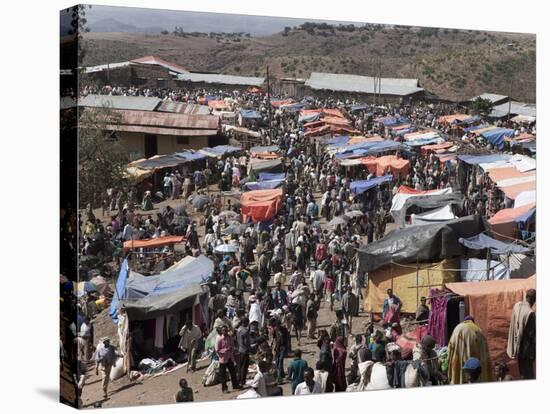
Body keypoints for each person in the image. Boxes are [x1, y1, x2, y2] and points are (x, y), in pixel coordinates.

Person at [447, 317, 492, 384]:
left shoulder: (458, 328)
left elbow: (451, 347)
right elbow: (485, 351)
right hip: (476, 367)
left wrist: (449, 361)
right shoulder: (479, 330)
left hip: (460, 362)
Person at [507, 289, 536, 379]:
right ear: (534, 300)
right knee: (528, 376)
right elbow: (532, 336)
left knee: (522, 374)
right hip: (527, 352)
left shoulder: (517, 306)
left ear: (526, 297)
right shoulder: (530, 313)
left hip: (518, 348)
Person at [215, 326, 241, 393]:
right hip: (223, 359)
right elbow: (217, 350)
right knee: (223, 375)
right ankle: (224, 388)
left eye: (226, 330)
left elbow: (232, 345)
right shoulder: (219, 339)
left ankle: (235, 385)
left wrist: (232, 349)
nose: (225, 332)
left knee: (233, 372)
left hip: (229, 358)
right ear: (222, 331)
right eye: (224, 330)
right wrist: (225, 350)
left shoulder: (230, 338)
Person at [236, 318, 251, 386]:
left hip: (239, 349)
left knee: (240, 366)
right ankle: (243, 380)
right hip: (245, 350)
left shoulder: (238, 329)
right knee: (244, 367)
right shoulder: (245, 331)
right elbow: (246, 342)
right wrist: (249, 347)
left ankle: (239, 379)